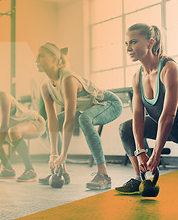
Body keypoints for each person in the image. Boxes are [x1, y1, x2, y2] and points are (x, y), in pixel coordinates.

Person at [114, 23, 178, 206]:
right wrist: (141, 152)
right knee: (125, 128)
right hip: (172, 126)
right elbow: (138, 115)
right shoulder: (137, 77)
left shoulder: (170, 69)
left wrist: (156, 154)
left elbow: (168, 115)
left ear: (150, 42)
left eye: (133, 42)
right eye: (126, 44)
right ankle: (140, 179)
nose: (128, 48)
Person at [35, 43, 122, 190]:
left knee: (84, 119)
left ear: (55, 59)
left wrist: (63, 155)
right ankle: (62, 171)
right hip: (88, 108)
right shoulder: (45, 86)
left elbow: (69, 120)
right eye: (36, 57)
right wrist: (53, 155)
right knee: (52, 121)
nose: (37, 60)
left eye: (41, 56)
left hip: (109, 103)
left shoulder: (68, 79)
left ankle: (103, 175)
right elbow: (53, 121)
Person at [0, 69, 45, 182]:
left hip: (37, 123)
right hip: (15, 128)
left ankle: (30, 171)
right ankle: (8, 169)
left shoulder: (2, 96)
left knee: (13, 131)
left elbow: (3, 126)